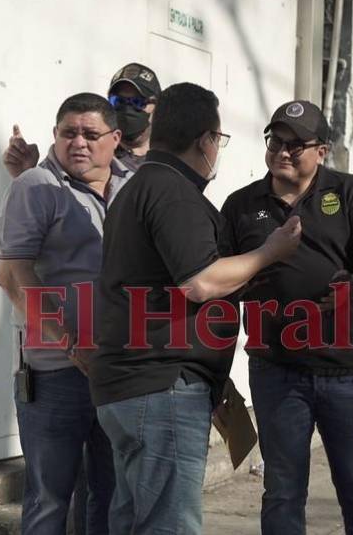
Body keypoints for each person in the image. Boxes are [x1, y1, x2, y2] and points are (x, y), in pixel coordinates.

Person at [88, 82, 302, 533]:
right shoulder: (172, 192)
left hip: (132, 386)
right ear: (205, 140)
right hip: (161, 389)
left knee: (133, 522)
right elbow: (200, 281)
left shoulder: (136, 189)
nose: (217, 151)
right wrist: (270, 252)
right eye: (219, 140)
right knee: (168, 526)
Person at [220, 100, 353, 534]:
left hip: (346, 371)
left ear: (322, 151)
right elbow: (221, 281)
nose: (283, 151)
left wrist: (350, 286)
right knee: (283, 491)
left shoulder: (350, 193)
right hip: (276, 370)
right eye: (276, 140)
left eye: (296, 144)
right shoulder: (240, 204)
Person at [0, 93, 131, 535]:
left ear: (115, 139)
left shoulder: (133, 185)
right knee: (50, 500)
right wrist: (72, 344)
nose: (79, 143)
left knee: (110, 496)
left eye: (91, 134)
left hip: (117, 367)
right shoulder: (34, 187)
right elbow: (15, 277)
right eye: (69, 132)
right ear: (55, 135)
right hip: (55, 372)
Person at [3, 62, 161, 177]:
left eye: (138, 102)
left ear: (158, 107)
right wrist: (25, 174)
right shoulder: (88, 151)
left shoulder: (167, 161)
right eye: (118, 101)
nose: (127, 108)